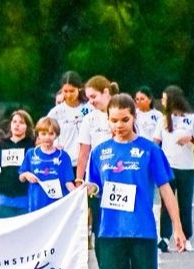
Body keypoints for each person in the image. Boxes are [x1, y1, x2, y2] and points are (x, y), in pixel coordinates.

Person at [86, 94, 187, 269]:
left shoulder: (150, 151)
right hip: (109, 231)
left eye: (124, 120)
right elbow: (94, 187)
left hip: (142, 231)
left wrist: (177, 227)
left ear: (134, 118)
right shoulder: (99, 152)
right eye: (113, 120)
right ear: (107, 120)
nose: (119, 125)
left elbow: (166, 190)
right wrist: (90, 191)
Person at [158, 86, 194, 252]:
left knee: (184, 203)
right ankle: (164, 237)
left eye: (164, 99)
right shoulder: (164, 119)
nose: (162, 102)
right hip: (167, 167)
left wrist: (191, 139)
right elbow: (156, 142)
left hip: (186, 167)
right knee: (166, 203)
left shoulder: (193, 119)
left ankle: (186, 236)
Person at [77, 76, 119, 238]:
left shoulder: (123, 114)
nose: (91, 102)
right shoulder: (89, 119)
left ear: (106, 92)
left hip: (119, 174)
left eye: (94, 97)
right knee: (100, 226)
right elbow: (84, 152)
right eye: (88, 99)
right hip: (97, 178)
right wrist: (79, 180)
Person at [19, 117, 77, 212]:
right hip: (36, 204)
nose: (47, 137)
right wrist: (26, 174)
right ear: (38, 135)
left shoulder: (64, 156)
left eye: (51, 134)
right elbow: (21, 177)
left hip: (58, 205)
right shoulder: (31, 154)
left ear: (56, 135)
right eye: (43, 134)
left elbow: (68, 182)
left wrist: (77, 193)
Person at [0, 111, 33, 218]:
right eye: (14, 122)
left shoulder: (32, 144)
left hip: (24, 194)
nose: (17, 125)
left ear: (28, 126)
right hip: (4, 194)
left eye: (21, 122)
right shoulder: (2, 144)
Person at [46, 71, 91, 169]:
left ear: (79, 89)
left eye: (72, 91)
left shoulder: (89, 108)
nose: (69, 95)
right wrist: (54, 144)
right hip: (63, 161)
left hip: (85, 162)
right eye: (65, 91)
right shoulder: (56, 112)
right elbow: (45, 133)